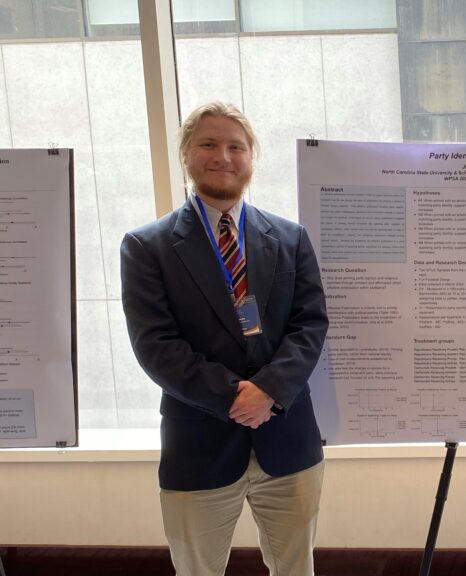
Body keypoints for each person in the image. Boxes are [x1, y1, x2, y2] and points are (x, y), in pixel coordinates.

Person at [121, 102, 329, 576]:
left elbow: (310, 324)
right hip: (199, 442)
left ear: (251, 156)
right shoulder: (145, 247)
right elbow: (155, 344)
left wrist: (270, 393)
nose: (224, 156)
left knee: (296, 569)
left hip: (289, 441)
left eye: (236, 146)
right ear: (186, 157)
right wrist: (237, 398)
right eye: (209, 144)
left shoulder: (290, 237)